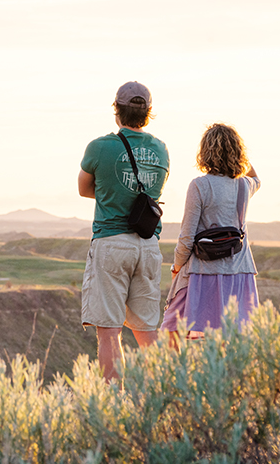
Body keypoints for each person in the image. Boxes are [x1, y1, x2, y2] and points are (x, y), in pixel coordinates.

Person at [78, 81, 170, 380]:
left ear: (116, 110)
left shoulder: (100, 147)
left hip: (112, 242)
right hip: (148, 245)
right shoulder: (161, 149)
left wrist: (111, 193)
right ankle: (167, 396)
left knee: (109, 331)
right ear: (149, 113)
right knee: (147, 330)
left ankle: (113, 407)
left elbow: (84, 189)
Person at [161, 123, 260, 337]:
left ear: (205, 153)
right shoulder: (245, 185)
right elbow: (256, 179)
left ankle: (178, 371)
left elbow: (187, 237)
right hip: (239, 270)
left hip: (203, 272)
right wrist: (240, 158)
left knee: (172, 329)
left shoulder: (199, 186)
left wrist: (177, 266)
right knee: (231, 337)